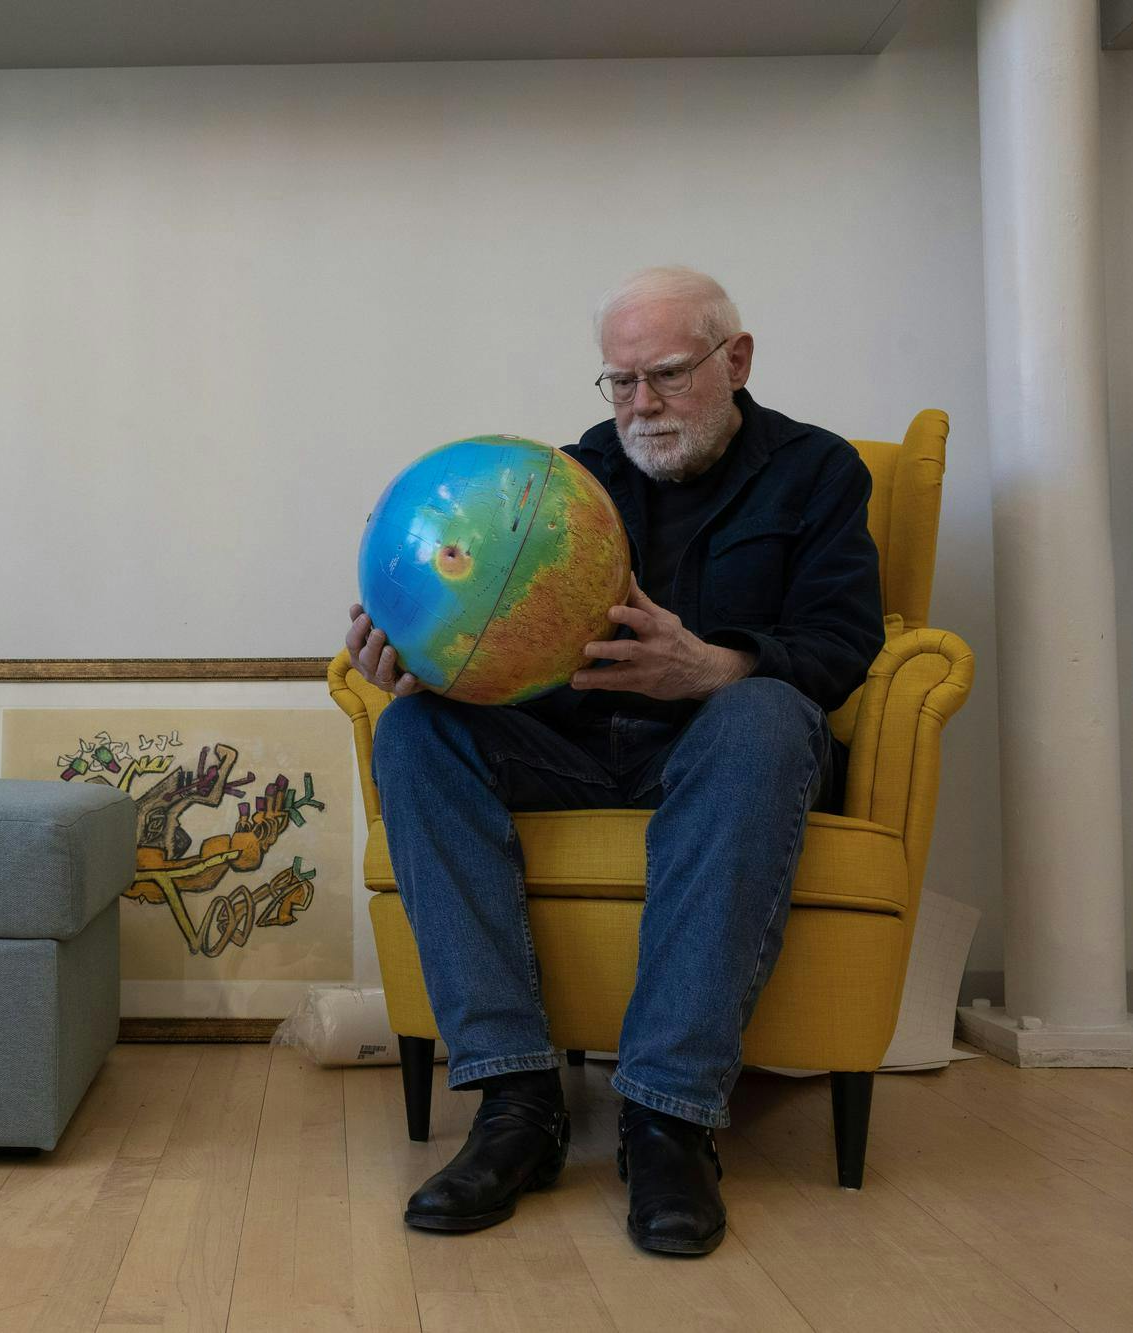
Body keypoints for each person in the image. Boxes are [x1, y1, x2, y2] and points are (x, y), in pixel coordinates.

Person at [343, 266, 884, 1255]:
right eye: (619, 382)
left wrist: (705, 667)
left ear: (736, 360)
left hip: (721, 754)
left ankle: (666, 1119)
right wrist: (423, 659)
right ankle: (515, 1106)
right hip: (572, 744)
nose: (641, 405)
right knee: (415, 735)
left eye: (666, 376)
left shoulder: (817, 471)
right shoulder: (553, 487)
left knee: (764, 714)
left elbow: (842, 646)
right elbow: (491, 642)